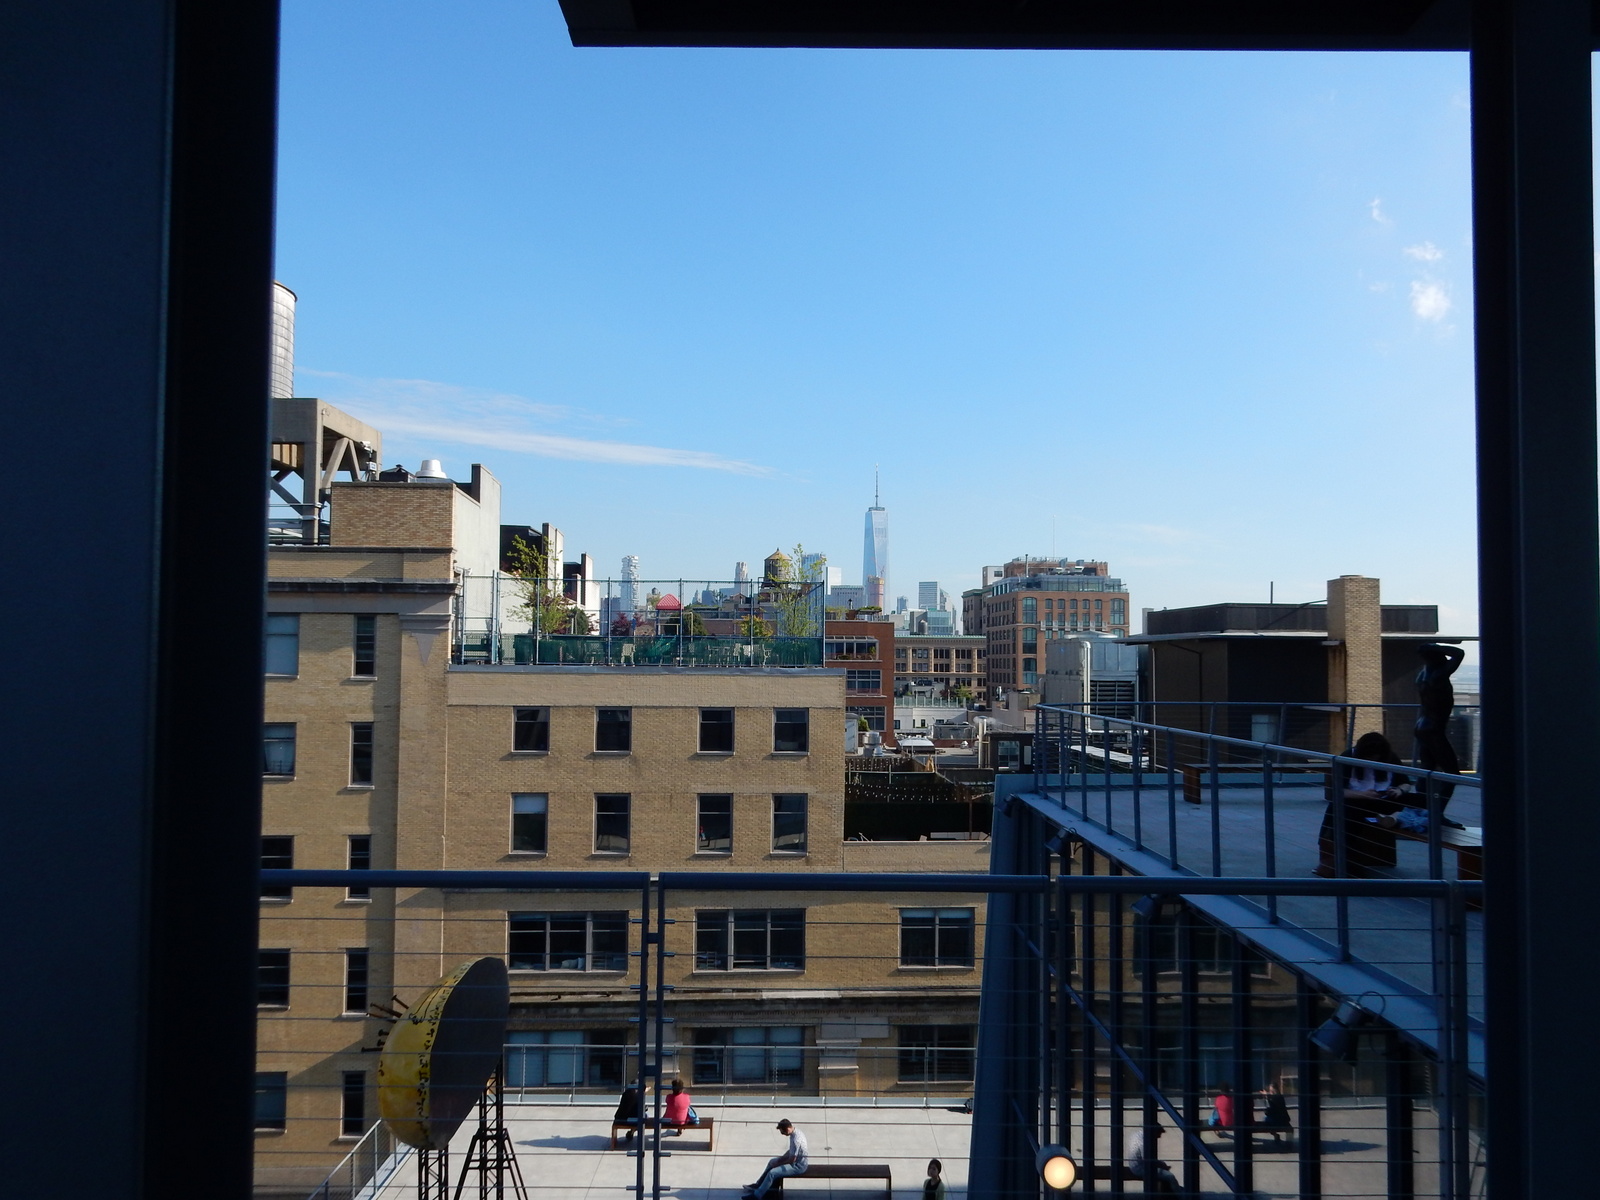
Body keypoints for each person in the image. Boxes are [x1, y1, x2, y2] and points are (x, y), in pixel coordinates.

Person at [1315, 731, 1411, 876]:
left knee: (1413, 800)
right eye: (1369, 758)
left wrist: (1399, 790)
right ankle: (1345, 859)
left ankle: (1345, 859)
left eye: (1376, 758)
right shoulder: (1348, 757)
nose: (1373, 760)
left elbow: (1405, 783)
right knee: (1344, 811)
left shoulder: (1390, 757)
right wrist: (1363, 794)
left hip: (1383, 800)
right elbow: (1337, 792)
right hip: (1357, 801)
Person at [744, 1118, 809, 1199]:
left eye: (782, 1132)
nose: (783, 1134)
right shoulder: (795, 1133)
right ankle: (759, 1184)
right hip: (795, 1162)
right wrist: (780, 1159)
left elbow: (792, 1159)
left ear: (787, 1129)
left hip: (798, 1166)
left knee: (772, 1173)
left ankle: (757, 1195)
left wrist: (778, 1164)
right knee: (772, 1161)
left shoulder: (796, 1139)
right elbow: (791, 1151)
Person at [1126, 1125, 1179, 1194]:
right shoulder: (1144, 1141)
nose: (1159, 1137)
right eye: (1159, 1134)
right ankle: (1179, 1195)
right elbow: (1147, 1160)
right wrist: (1162, 1166)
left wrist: (1161, 1164)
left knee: (1163, 1166)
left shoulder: (1137, 1135)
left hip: (1135, 1165)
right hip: (1140, 1168)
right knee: (1170, 1177)